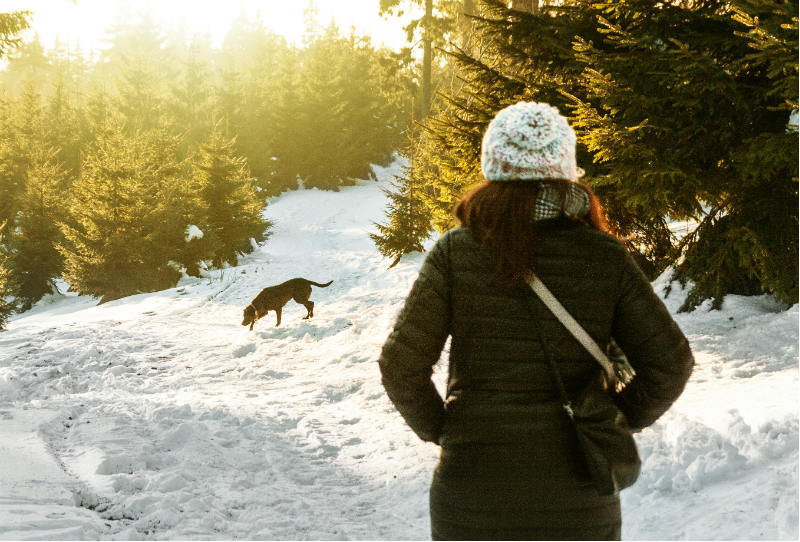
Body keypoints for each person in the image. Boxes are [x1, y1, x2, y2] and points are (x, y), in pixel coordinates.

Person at [378, 102, 694, 540]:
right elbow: (671, 363)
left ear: (494, 167)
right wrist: (610, 420)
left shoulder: (456, 251)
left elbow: (400, 365)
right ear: (566, 170)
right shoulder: (605, 257)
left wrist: (446, 431)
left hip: (472, 493)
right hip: (579, 496)